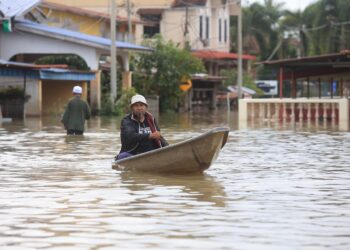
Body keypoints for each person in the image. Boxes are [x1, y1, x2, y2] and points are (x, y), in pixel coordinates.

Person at [116, 94, 168, 160]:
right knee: (122, 156)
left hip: (152, 153)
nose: (139, 108)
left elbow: (158, 136)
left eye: (141, 105)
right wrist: (149, 135)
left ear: (146, 107)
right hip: (133, 153)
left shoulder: (151, 119)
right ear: (132, 108)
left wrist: (168, 148)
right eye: (136, 106)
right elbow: (130, 136)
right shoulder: (126, 121)